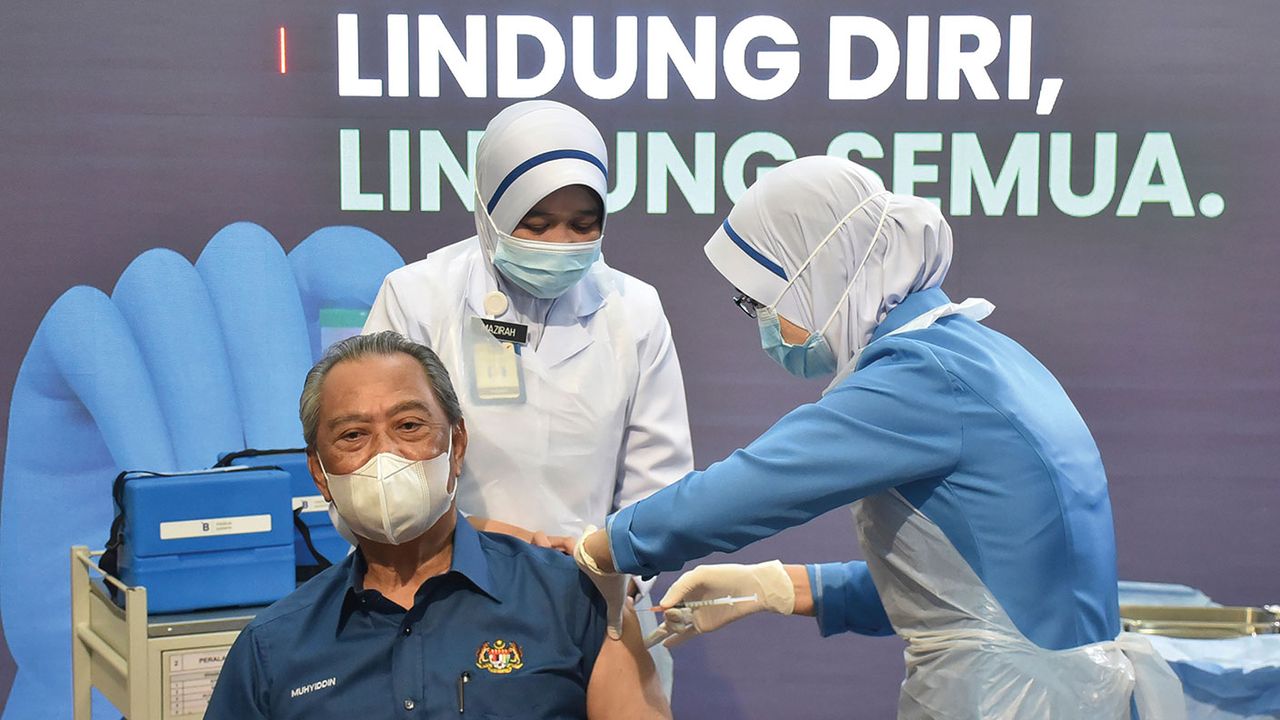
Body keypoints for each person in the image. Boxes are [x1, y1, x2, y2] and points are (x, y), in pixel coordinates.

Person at [574, 156, 1186, 718]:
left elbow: (761, 483)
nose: (760, 321)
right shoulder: (979, 355)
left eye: (758, 299)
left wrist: (605, 547)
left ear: (821, 275)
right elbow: (969, 592)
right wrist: (777, 587)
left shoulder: (922, 377)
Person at [363, 100, 692, 684]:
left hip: (595, 600)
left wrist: (618, 569)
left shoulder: (634, 308)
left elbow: (658, 478)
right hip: (443, 594)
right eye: (536, 224)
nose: (561, 242)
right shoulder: (416, 298)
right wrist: (499, 548)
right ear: (488, 210)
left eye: (583, 223)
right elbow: (384, 470)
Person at [206, 331, 669, 719]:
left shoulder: (574, 600)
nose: (384, 455)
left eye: (409, 426)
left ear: (458, 444)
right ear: (319, 473)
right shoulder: (271, 647)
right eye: (352, 435)